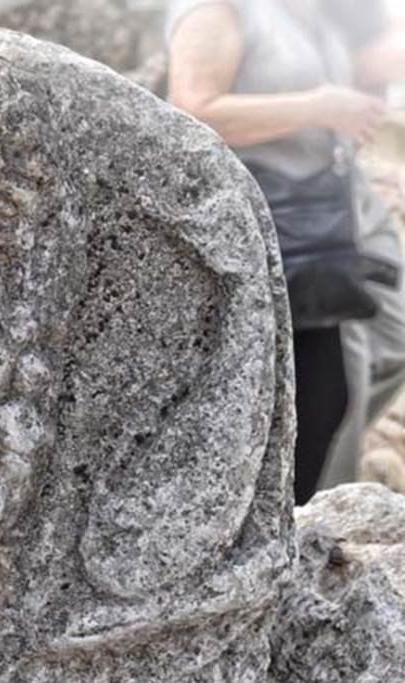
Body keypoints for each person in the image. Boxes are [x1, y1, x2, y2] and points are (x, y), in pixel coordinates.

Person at [166, 0, 398, 505]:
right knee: (317, 392)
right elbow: (191, 110)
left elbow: (373, 61)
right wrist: (319, 108)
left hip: (321, 215)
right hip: (263, 225)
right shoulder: (221, 10)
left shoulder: (309, 14)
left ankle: (313, 515)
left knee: (332, 387)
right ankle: (305, 519)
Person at [320, 3, 405, 490]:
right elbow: (361, 61)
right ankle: (326, 497)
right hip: (311, 175)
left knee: (390, 341)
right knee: (346, 345)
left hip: (348, 168)